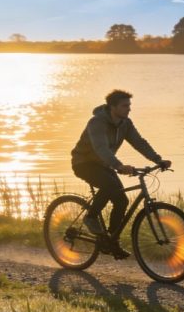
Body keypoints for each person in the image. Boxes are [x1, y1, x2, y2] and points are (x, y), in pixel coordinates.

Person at [71, 90, 171, 259]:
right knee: (109, 186)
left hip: (103, 164)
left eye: (129, 105)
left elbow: (139, 142)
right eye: (125, 106)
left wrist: (157, 160)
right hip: (84, 163)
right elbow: (100, 148)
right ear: (112, 107)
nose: (129, 109)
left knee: (121, 200)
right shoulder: (96, 122)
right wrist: (118, 165)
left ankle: (110, 241)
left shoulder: (125, 123)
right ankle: (91, 217)